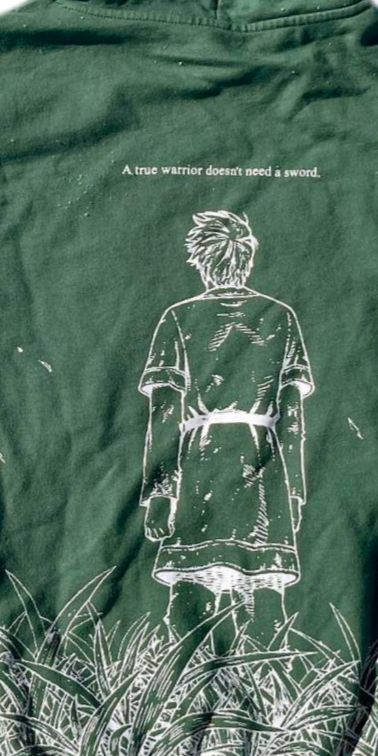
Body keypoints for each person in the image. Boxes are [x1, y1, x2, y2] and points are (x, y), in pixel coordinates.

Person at [138, 210, 315, 645]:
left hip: (202, 462)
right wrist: (294, 490)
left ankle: (187, 680)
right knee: (264, 599)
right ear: (247, 260)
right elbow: (293, 417)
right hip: (264, 466)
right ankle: (265, 682)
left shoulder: (178, 318)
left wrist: (160, 494)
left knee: (191, 596)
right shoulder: (280, 316)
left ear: (201, 261)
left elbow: (164, 415)